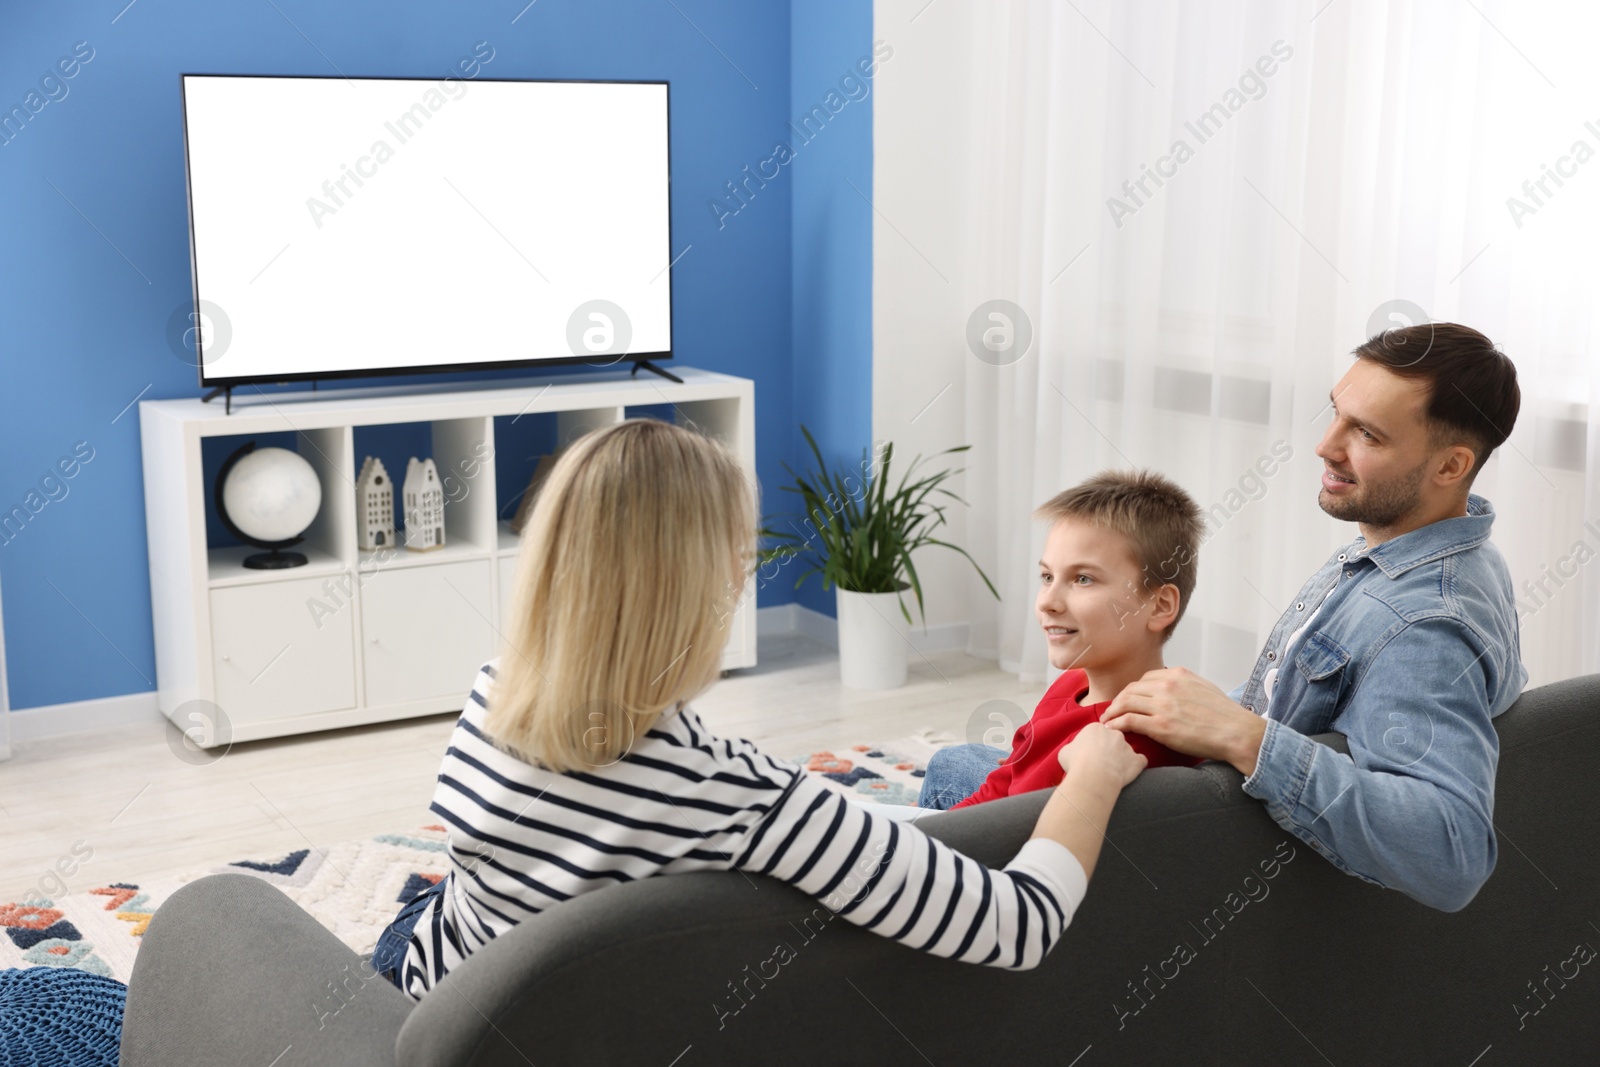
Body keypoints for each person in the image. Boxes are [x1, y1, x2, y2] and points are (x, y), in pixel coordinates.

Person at [370, 418, 1149, 999]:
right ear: (704, 587)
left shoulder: (493, 690)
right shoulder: (733, 795)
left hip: (430, 982)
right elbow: (1017, 926)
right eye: (736, 558)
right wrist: (1095, 775)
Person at [920, 323, 1526, 913]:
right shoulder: (1434, 550)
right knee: (987, 766)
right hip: (1214, 802)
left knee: (953, 771)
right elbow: (1299, 698)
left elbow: (1453, 853)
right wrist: (1199, 710)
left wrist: (1242, 735)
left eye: (1366, 434)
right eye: (1335, 412)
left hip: (1213, 850)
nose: (1325, 444)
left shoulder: (1424, 625)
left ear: (1451, 467)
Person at [919, 470, 1208, 812]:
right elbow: (1008, 776)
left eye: (1083, 579)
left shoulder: (1127, 745)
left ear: (1159, 606)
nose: (1047, 602)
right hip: (1015, 809)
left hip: (1028, 845)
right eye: (1047, 576)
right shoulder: (1074, 681)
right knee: (951, 761)